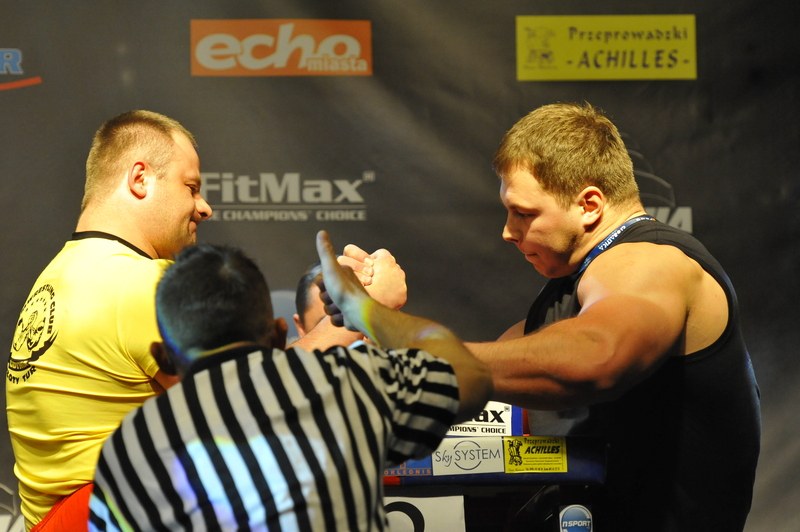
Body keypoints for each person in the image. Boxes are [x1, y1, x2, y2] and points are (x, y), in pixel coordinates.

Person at [6, 110, 405, 531]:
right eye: (191, 187)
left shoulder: (63, 272)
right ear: (140, 179)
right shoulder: (137, 283)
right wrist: (364, 310)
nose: (205, 208)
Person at [461, 102, 760, 530]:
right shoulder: (574, 289)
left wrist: (421, 358)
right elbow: (485, 373)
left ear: (589, 205)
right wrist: (375, 318)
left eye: (524, 213)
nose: (508, 232)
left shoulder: (650, 261)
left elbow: (597, 356)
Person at [88, 232, 492, 530]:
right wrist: (365, 309)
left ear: (163, 357)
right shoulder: (351, 383)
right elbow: (471, 376)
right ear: (281, 334)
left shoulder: (129, 445)